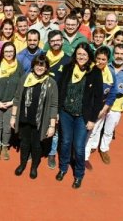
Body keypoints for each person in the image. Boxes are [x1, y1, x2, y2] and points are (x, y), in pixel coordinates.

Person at [56, 42, 103, 189]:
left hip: (83, 116)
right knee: (65, 142)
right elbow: (60, 88)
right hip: (66, 113)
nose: (81, 57)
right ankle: (63, 168)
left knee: (79, 146)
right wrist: (58, 111)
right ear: (75, 55)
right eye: (79, 54)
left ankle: (79, 174)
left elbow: (98, 98)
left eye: (84, 54)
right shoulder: (68, 68)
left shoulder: (95, 72)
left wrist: (92, 119)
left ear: (89, 56)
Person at [10, 54, 58, 179]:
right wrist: (13, 116)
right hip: (24, 118)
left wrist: (52, 126)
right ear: (33, 65)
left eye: (43, 65)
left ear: (47, 67)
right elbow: (17, 98)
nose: (39, 67)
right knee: (24, 143)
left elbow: (53, 105)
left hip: (40, 120)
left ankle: (34, 167)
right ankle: (22, 164)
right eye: (37, 64)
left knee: (37, 145)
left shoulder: (51, 83)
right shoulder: (26, 78)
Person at [97, 44, 123, 165]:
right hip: (102, 103)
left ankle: (104, 149)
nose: (119, 56)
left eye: (122, 54)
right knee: (96, 126)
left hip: (117, 106)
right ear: (113, 55)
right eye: (117, 53)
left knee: (109, 129)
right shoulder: (106, 67)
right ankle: (92, 146)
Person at [84, 46, 117, 170]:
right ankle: (84, 157)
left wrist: (104, 109)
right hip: (90, 109)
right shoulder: (90, 71)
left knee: (97, 130)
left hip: (102, 109)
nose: (100, 61)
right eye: (98, 58)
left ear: (108, 60)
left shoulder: (111, 73)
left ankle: (91, 148)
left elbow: (112, 92)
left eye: (103, 59)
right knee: (89, 133)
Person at [0, 42, 24, 161]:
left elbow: (21, 87)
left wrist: (13, 102)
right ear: (2, 53)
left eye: (11, 51)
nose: (9, 54)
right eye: (6, 51)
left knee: (7, 126)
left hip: (11, 103)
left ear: (14, 52)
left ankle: (5, 146)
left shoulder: (19, 66)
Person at [44, 30, 71, 169]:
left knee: (55, 131)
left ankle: (52, 153)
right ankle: (35, 149)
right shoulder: (42, 57)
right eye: (53, 41)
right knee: (38, 126)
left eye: (58, 40)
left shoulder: (68, 60)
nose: (55, 43)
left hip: (58, 103)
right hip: (41, 100)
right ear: (49, 43)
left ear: (62, 41)